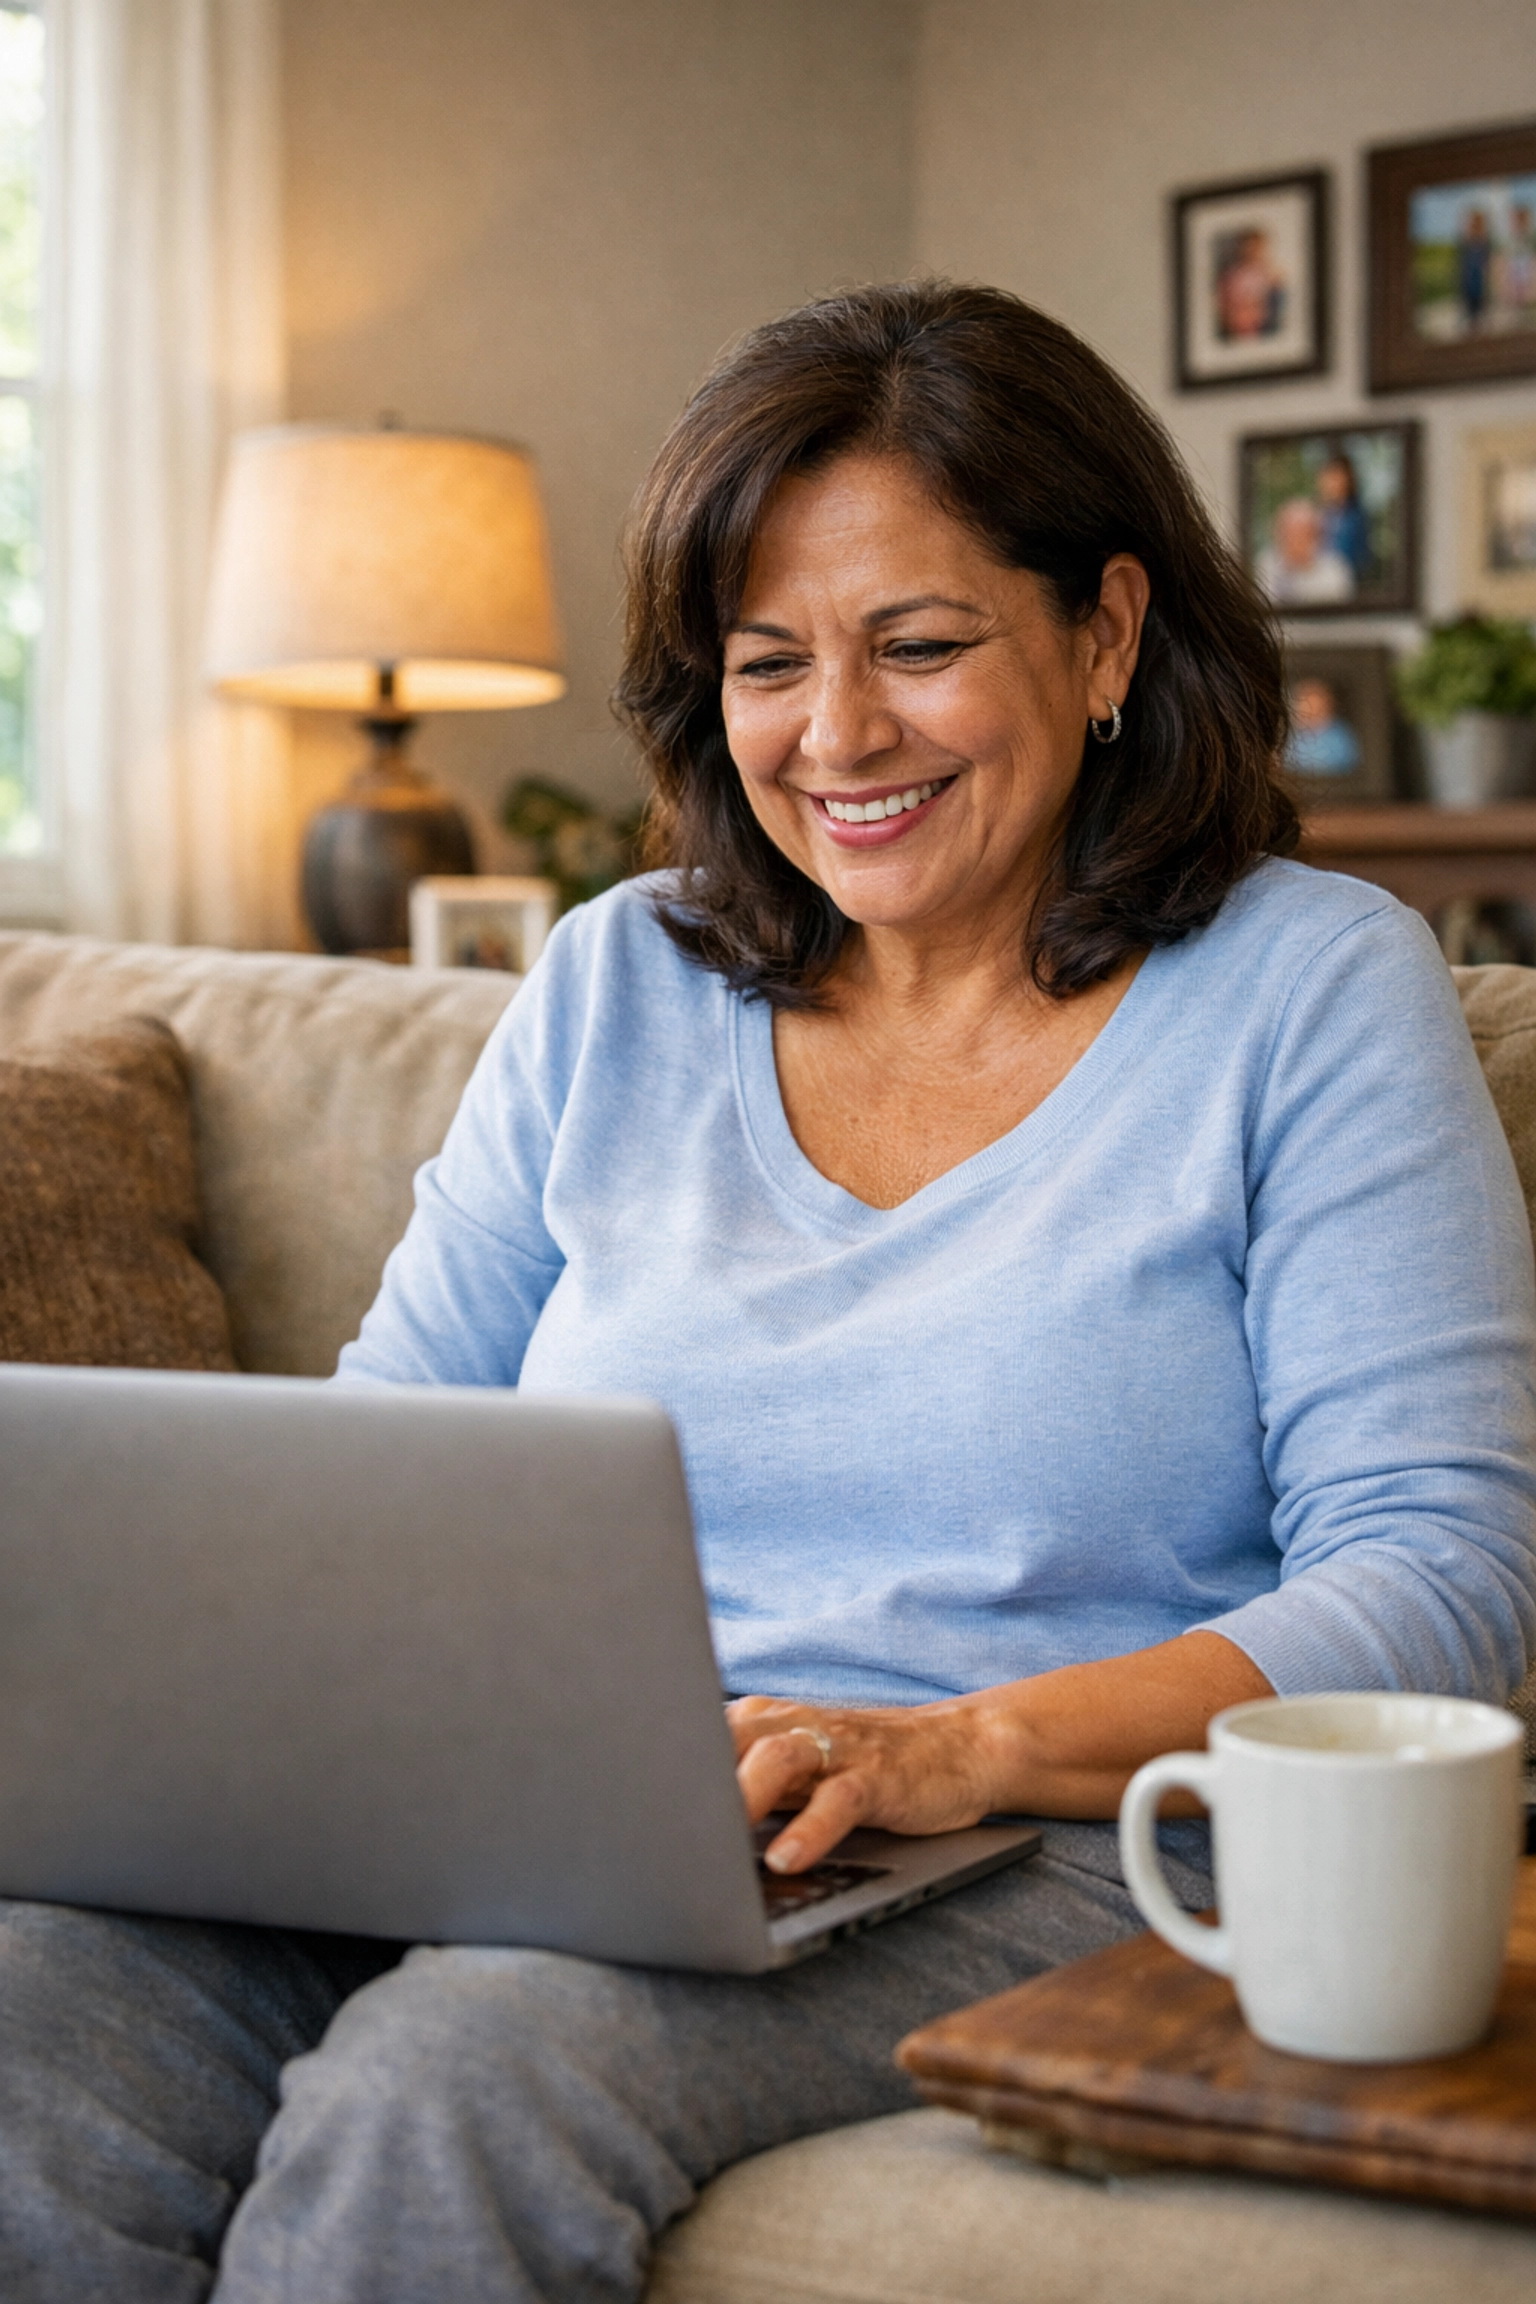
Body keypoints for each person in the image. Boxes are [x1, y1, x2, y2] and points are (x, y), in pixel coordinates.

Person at [2, 281, 1534, 2304]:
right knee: (36, 2009)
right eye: (767, 664)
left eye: (919, 646)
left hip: (1045, 1834)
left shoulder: (1308, 989)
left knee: (464, 2077)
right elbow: (366, 1465)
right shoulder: (619, 978)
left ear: (1105, 634)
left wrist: (958, 1749)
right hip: (556, 1816)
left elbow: (1445, 1581)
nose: (839, 737)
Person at [1255, 493, 1355, 607]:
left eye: (1302, 533)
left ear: (1316, 535)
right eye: (1288, 533)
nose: (1294, 540)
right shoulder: (1266, 564)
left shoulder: (1334, 569)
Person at [1284, 675, 1361, 778]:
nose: (1310, 712)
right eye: (1305, 706)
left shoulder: (1341, 737)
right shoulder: (1289, 737)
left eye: (1315, 707)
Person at [1314, 452, 1371, 584]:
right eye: (1326, 477)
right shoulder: (1316, 514)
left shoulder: (1356, 518)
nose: (1329, 483)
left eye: (1335, 477)